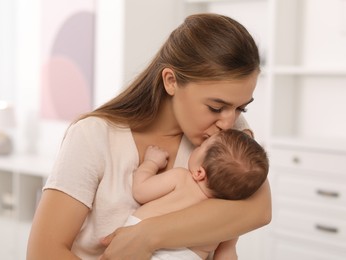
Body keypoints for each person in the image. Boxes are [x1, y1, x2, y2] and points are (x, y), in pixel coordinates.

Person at [27, 13, 271, 260]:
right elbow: (42, 253)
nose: (229, 122)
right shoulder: (94, 136)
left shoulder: (228, 139)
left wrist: (148, 235)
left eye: (242, 107)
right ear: (171, 81)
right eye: (216, 108)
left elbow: (260, 210)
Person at [126, 129, 269, 259]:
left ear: (199, 173)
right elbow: (226, 255)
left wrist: (151, 163)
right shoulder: (227, 220)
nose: (197, 146)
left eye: (202, 146)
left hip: (137, 245)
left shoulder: (181, 179)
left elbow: (140, 191)